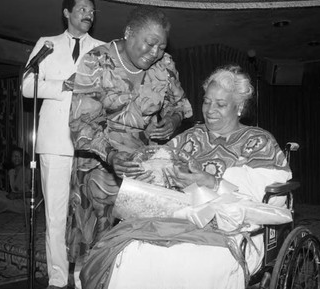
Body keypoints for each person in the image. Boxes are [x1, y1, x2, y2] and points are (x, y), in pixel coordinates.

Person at [80, 65, 292, 289]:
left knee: (191, 261)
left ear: (239, 107)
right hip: (176, 219)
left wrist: (210, 182)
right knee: (130, 252)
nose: (210, 110)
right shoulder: (191, 136)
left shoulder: (258, 140)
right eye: (207, 102)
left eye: (220, 104)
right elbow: (158, 167)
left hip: (230, 227)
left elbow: (272, 199)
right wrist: (142, 169)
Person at [65, 5, 193, 266]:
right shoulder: (96, 61)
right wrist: (111, 155)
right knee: (96, 241)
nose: (155, 53)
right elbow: (81, 123)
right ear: (128, 33)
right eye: (150, 44)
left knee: (139, 241)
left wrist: (172, 120)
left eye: (161, 46)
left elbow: (179, 104)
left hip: (144, 165)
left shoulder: (165, 65)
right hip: (100, 162)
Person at [21, 0, 104, 289]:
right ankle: (57, 279)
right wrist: (63, 85)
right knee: (55, 216)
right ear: (67, 13)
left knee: (86, 218)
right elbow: (27, 86)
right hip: (54, 143)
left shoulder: (103, 49)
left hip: (89, 146)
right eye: (82, 8)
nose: (88, 14)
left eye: (92, 11)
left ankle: (84, 278)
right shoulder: (46, 44)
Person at [0, 147, 39, 214]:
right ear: (10, 158)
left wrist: (17, 195)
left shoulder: (28, 172)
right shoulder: (11, 172)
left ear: (23, 158)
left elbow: (35, 193)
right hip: (15, 199)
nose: (16, 158)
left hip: (26, 202)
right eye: (14, 156)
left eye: (19, 156)